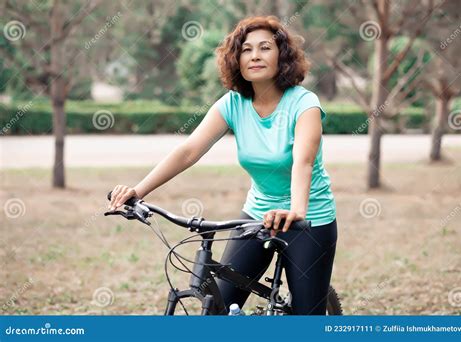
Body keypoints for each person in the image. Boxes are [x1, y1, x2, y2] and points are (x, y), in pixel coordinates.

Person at [109, 15, 337, 315]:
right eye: (246, 49)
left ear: (281, 55)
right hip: (257, 215)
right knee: (218, 305)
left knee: (308, 318)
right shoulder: (233, 103)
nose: (255, 55)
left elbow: (302, 162)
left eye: (265, 47)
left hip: (309, 219)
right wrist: (137, 192)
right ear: (236, 60)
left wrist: (296, 211)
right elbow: (189, 150)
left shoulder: (304, 104)